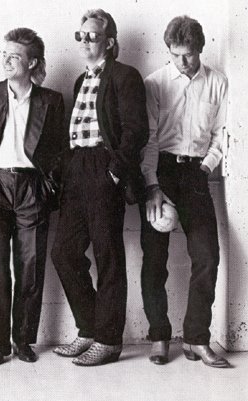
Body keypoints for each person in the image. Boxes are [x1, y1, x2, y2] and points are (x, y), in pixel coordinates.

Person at [51, 9, 149, 366]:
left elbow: (136, 130)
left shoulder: (124, 76)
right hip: (77, 168)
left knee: (108, 256)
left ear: (109, 42)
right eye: (80, 35)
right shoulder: (81, 80)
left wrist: (114, 173)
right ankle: (90, 328)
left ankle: (108, 341)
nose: (84, 40)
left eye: (92, 35)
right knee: (64, 253)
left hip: (103, 167)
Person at [0, 28, 64, 366]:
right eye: (4, 54)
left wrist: (49, 185)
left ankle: (22, 341)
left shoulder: (51, 100)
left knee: (30, 266)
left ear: (32, 63)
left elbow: (58, 150)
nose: (6, 61)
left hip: (32, 188)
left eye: (15, 56)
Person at [140, 16, 230, 368]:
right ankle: (159, 337)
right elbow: (149, 138)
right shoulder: (155, 83)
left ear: (200, 50)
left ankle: (196, 338)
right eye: (175, 54)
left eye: (188, 55)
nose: (182, 62)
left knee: (207, 256)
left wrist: (206, 167)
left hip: (196, 173)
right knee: (154, 259)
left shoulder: (217, 83)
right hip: (160, 171)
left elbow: (221, 134)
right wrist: (152, 185)